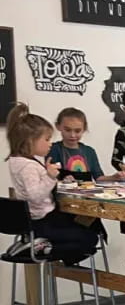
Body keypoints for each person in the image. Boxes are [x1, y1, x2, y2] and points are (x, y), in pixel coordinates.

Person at [5, 103, 98, 259]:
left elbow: (36, 188)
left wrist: (61, 181)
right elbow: (35, 195)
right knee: (90, 238)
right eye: (47, 139)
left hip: (39, 221)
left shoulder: (19, 161)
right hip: (42, 222)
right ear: (30, 141)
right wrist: (50, 176)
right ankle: (38, 245)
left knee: (83, 228)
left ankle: (36, 243)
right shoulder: (27, 166)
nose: (50, 144)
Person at [50, 108, 123, 183]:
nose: (72, 135)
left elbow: (98, 177)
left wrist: (114, 177)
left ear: (84, 129)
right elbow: (49, 176)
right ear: (58, 126)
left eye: (77, 131)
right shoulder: (53, 149)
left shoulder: (89, 151)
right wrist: (62, 179)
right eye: (67, 130)